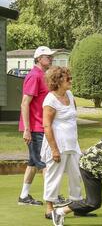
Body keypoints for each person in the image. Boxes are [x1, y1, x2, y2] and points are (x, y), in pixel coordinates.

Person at [41, 66, 83, 219]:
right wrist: (54, 150)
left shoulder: (70, 95)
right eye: (68, 79)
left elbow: (73, 117)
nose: (71, 81)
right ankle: (49, 208)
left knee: (76, 175)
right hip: (57, 145)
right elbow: (46, 126)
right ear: (58, 81)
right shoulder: (50, 100)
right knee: (54, 176)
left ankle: (76, 206)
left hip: (72, 143)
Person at [18, 46, 56, 206]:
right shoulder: (34, 76)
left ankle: (24, 197)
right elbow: (25, 103)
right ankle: (53, 197)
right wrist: (27, 129)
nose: (51, 58)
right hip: (34, 128)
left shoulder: (43, 75)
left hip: (40, 126)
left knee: (33, 163)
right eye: (47, 56)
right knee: (44, 164)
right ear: (39, 58)